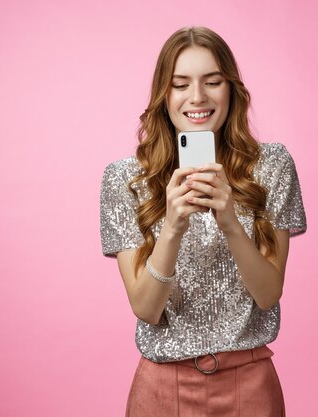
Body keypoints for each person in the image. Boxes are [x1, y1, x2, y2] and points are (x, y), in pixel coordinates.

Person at [100, 26, 306, 417]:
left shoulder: (272, 166)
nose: (197, 98)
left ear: (231, 90)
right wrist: (173, 227)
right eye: (181, 84)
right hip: (162, 388)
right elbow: (145, 308)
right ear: (164, 95)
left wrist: (229, 220)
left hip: (250, 383)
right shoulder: (125, 180)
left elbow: (267, 294)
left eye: (212, 82)